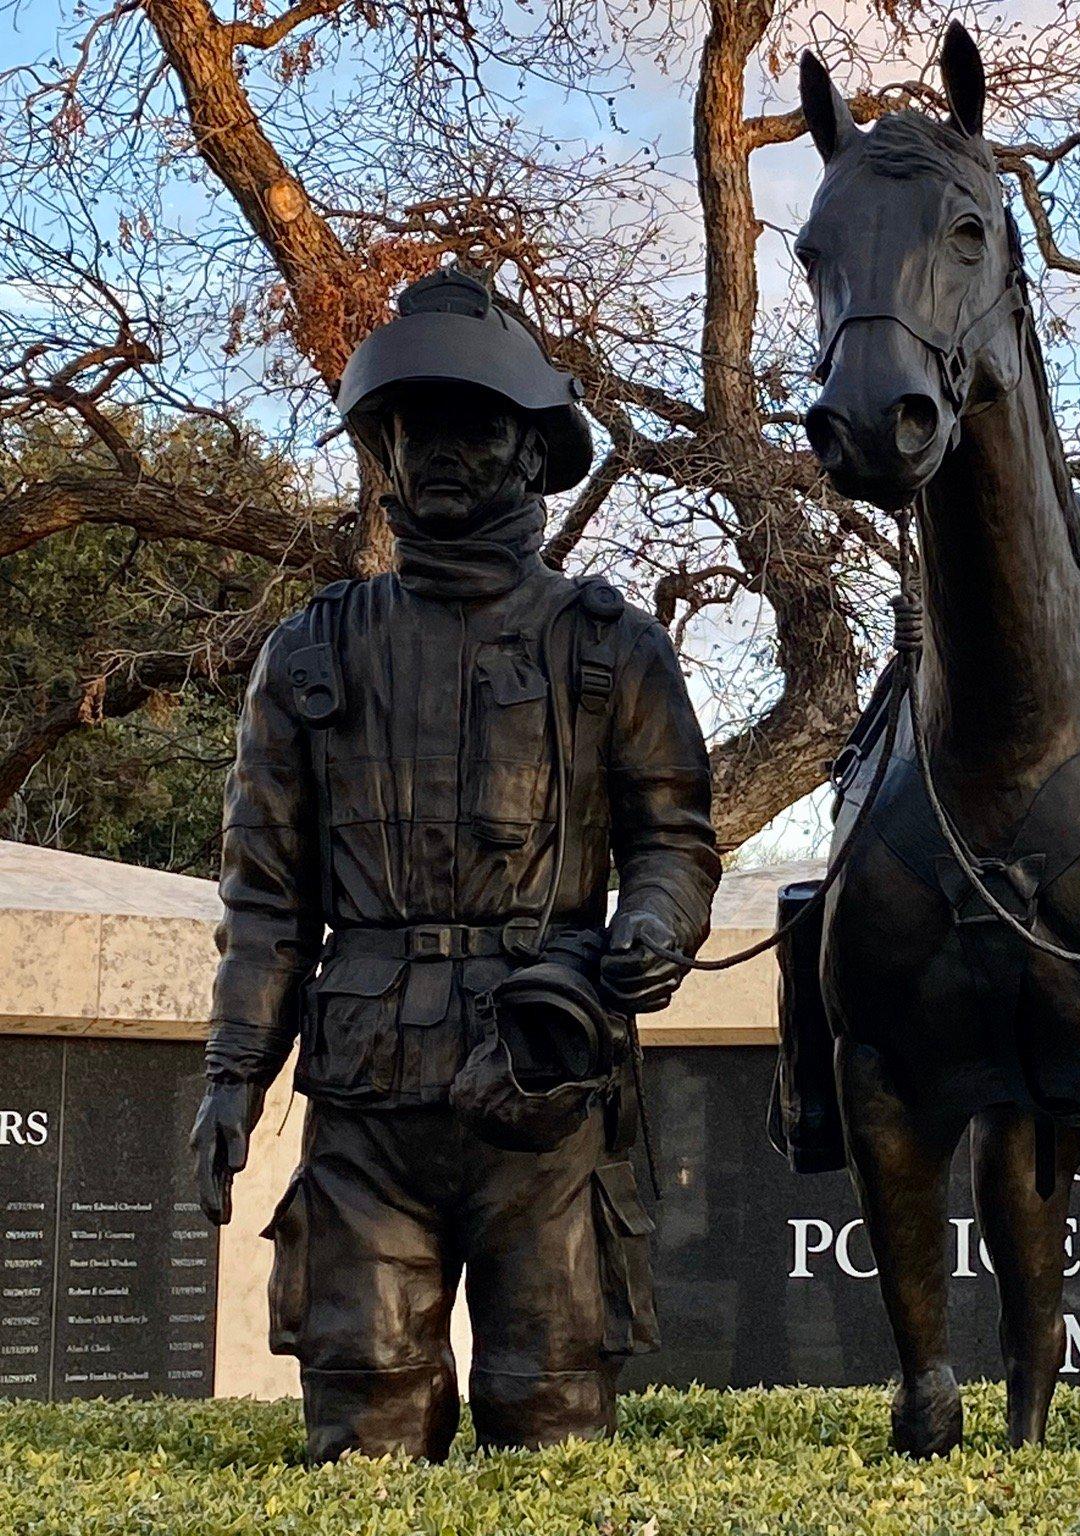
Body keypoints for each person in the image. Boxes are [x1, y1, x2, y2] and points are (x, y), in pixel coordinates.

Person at [189, 267, 721, 1460]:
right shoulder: (310, 652)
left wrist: (655, 926)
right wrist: (233, 1074)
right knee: (362, 1416)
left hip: (543, 1081)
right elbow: (264, 896)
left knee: (551, 1411)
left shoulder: (611, 648)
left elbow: (673, 838)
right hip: (367, 1099)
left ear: (533, 454)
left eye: (472, 425)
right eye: (409, 427)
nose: (436, 451)